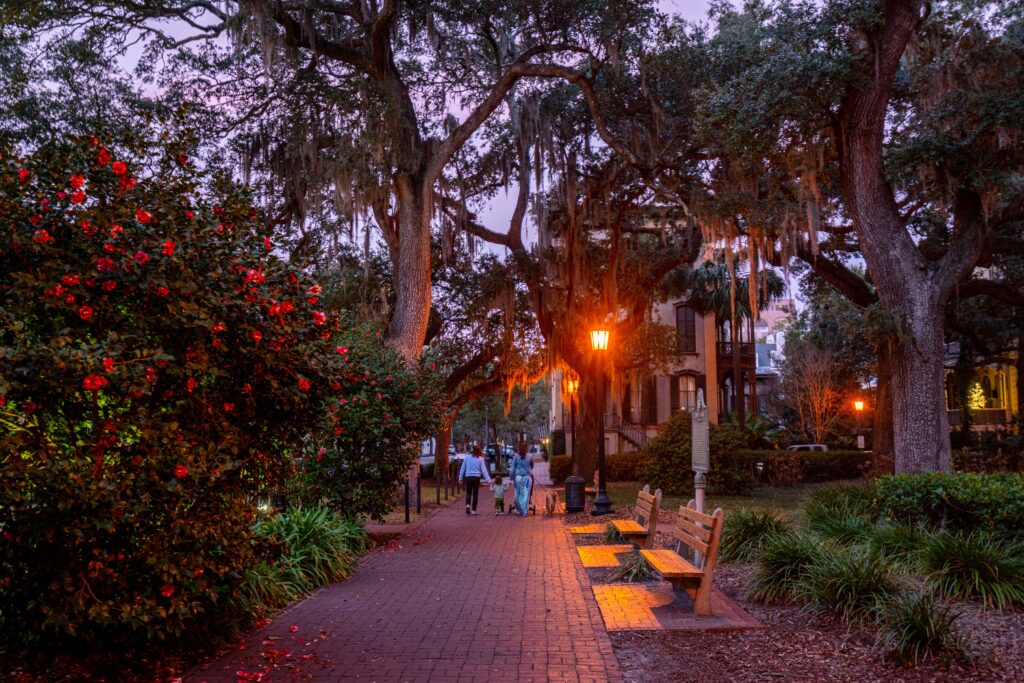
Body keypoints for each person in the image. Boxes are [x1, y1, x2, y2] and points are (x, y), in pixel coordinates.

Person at [458, 445, 490, 515]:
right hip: (476, 477)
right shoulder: (480, 458)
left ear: (472, 450)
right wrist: (488, 480)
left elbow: (463, 467)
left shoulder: (467, 457)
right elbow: (484, 470)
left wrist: (460, 478)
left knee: (468, 493)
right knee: (475, 494)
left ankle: (467, 505)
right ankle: (474, 510)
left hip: (468, 477)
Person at [509, 444, 533, 517]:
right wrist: (529, 470)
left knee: (518, 494)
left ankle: (518, 510)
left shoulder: (516, 457)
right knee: (526, 494)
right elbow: (532, 466)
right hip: (527, 477)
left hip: (518, 478)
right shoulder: (530, 457)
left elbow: (512, 469)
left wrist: (510, 478)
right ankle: (524, 511)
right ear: (526, 449)